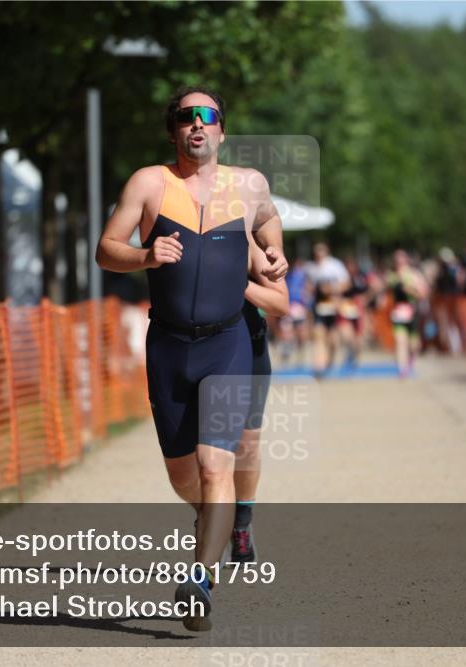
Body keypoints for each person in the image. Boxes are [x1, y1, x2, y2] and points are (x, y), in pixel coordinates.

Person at [95, 86, 288, 631]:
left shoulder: (248, 185)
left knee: (214, 465)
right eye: (186, 117)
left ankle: (200, 578)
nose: (197, 124)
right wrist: (143, 254)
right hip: (170, 345)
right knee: (185, 475)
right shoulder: (148, 183)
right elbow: (106, 248)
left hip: (228, 343)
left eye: (208, 116)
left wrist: (274, 250)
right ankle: (212, 517)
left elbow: (268, 220)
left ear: (222, 130)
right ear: (174, 130)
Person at [232, 270, 289, 565]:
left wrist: (238, 281)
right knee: (199, 453)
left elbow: (280, 304)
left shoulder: (253, 239)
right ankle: (210, 520)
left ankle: (241, 524)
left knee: (247, 442)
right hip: (195, 349)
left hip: (250, 347)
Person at [306, 242, 350, 377]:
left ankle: (329, 362)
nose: (319, 255)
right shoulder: (311, 268)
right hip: (319, 307)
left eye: (321, 252)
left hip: (333, 307)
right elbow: (309, 287)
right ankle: (319, 367)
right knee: (318, 335)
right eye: (317, 253)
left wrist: (331, 289)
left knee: (333, 340)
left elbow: (346, 284)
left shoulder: (335, 265)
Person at [387, 249, 428, 377]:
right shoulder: (392, 276)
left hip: (412, 311)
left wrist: (410, 290)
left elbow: (423, 294)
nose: (399, 263)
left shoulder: (415, 275)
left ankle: (411, 360)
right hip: (398, 312)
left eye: (402, 259)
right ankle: (402, 369)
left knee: (414, 345)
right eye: (397, 260)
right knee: (400, 341)